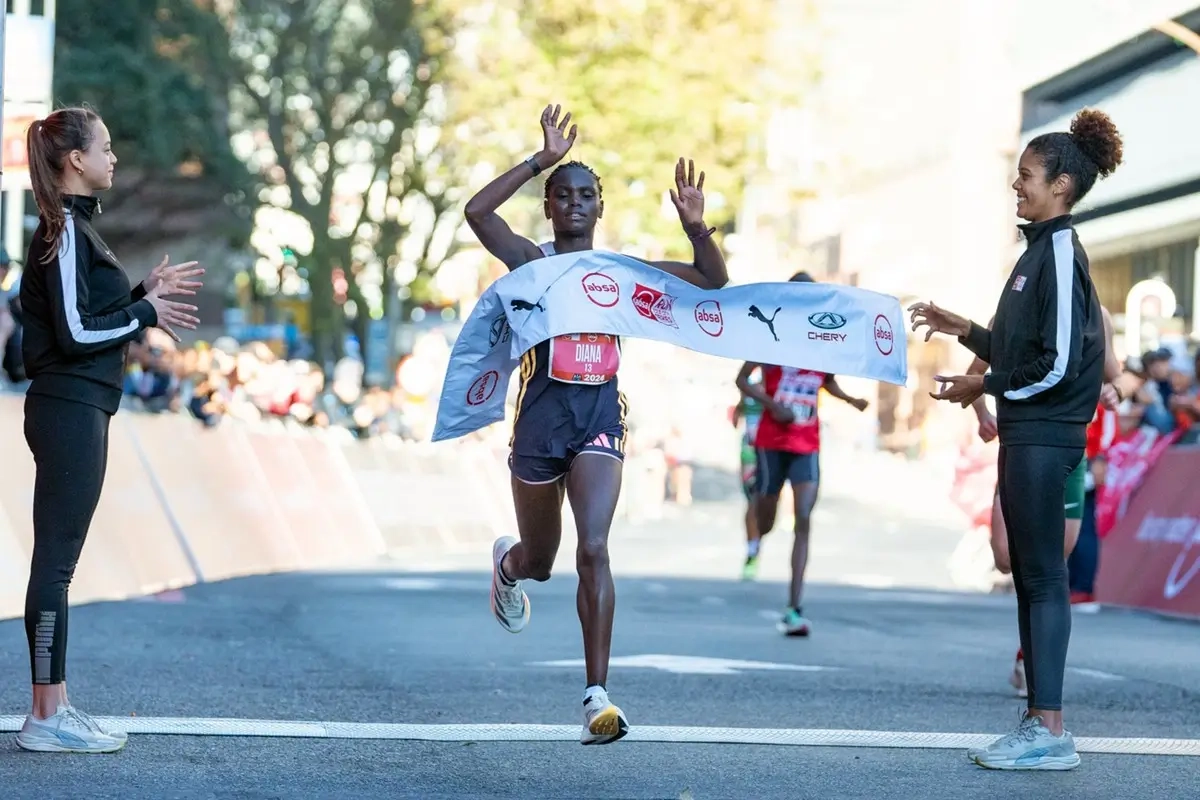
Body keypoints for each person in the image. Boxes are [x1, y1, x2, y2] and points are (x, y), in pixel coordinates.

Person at [463, 104, 729, 744]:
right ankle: (508, 568)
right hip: (537, 425)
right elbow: (476, 213)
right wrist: (538, 160)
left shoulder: (622, 274)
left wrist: (697, 229)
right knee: (542, 560)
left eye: (586, 195)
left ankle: (596, 696)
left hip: (600, 420)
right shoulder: (532, 262)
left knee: (595, 548)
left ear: (599, 206)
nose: (575, 203)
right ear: (549, 205)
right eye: (563, 194)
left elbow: (709, 284)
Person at [910, 108, 1123, 771]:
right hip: (1032, 437)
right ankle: (1039, 721)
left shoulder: (1059, 252)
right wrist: (961, 326)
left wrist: (986, 386)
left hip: (1045, 438)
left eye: (1026, 175)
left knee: (1041, 580)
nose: (1016, 185)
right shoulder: (1040, 250)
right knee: (1033, 580)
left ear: (1062, 183)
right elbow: (1022, 344)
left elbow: (1060, 363)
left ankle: (1049, 729)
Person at [15, 106, 204, 754]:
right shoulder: (65, 229)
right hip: (68, 405)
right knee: (56, 564)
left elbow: (91, 316)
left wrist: (141, 295)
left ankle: (55, 704)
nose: (113, 156)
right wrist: (144, 311)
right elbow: (74, 334)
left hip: (81, 404)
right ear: (75, 159)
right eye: (105, 146)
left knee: (58, 562)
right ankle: (45, 715)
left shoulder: (75, 231)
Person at [968, 305, 1122, 697]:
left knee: (1053, 567)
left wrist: (1112, 390)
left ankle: (1030, 662)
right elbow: (974, 375)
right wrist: (983, 414)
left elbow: (1115, 376)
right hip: (1020, 447)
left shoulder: (1095, 314)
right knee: (1006, 558)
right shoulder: (1009, 311)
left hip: (1069, 453)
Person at [734, 272, 870, 636]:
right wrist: (771, 404)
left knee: (805, 517)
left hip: (806, 442)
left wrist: (850, 399)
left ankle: (794, 606)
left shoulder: (821, 340)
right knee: (766, 519)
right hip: (770, 442)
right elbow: (743, 379)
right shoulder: (770, 334)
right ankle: (758, 530)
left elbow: (826, 380)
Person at [731, 385, 766, 580]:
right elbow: (737, 414)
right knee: (752, 500)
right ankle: (752, 551)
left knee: (766, 502)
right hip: (750, 450)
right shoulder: (749, 385)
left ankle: (757, 540)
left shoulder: (777, 378)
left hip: (772, 448)